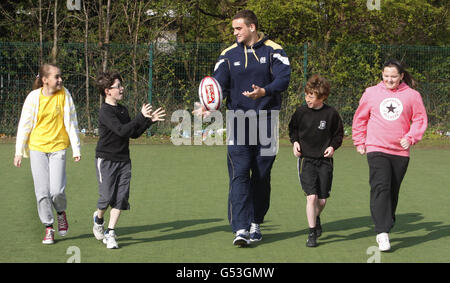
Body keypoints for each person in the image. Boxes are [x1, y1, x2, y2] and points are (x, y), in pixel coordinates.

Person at [195, 10, 291, 246]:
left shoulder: (274, 50)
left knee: (261, 176)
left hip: (267, 121)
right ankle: (240, 228)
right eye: (234, 29)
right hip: (238, 121)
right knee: (239, 174)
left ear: (252, 27)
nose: (235, 32)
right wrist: (211, 107)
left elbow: (284, 79)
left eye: (238, 28)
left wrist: (264, 91)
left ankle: (256, 221)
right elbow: (218, 86)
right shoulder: (227, 55)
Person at [352, 59, 428, 251]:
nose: (389, 80)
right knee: (381, 187)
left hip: (400, 152)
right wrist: (359, 141)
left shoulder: (412, 95)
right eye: (386, 76)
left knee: (392, 190)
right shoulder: (371, 93)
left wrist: (411, 137)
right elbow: (360, 118)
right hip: (376, 147)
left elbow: (420, 119)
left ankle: (387, 220)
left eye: (393, 76)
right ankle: (382, 231)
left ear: (401, 76)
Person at [92, 71, 165, 249]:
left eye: (121, 85)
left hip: (124, 160)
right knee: (107, 197)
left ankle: (110, 232)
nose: (122, 88)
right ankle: (98, 218)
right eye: (118, 86)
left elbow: (132, 133)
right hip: (106, 160)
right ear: (108, 91)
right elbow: (121, 130)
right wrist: (141, 116)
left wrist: (148, 121)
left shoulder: (122, 109)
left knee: (121, 198)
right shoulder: (105, 111)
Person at [14, 63, 81, 245]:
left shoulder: (64, 95)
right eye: (56, 77)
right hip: (37, 148)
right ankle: (49, 228)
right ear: (45, 80)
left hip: (58, 147)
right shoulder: (33, 98)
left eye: (60, 76)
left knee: (56, 191)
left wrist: (76, 147)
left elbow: (72, 122)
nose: (60, 80)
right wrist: (19, 151)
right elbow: (25, 124)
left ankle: (61, 213)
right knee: (42, 192)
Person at [288, 75, 343, 247]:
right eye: (306, 95)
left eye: (311, 96)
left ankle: (316, 217)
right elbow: (293, 129)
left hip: (325, 161)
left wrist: (333, 147)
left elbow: (338, 134)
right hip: (307, 161)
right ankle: (312, 233)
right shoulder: (301, 112)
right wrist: (295, 142)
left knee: (322, 200)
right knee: (311, 197)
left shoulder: (331, 114)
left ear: (322, 97)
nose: (307, 99)